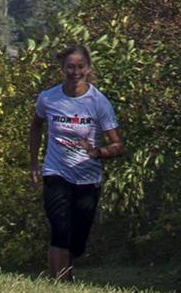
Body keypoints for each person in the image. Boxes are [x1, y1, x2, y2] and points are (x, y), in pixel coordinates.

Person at [28, 42, 122, 279]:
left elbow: (118, 145)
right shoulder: (48, 98)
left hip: (87, 177)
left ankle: (66, 275)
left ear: (88, 69)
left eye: (80, 67)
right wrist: (34, 163)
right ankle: (59, 284)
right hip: (56, 171)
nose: (75, 72)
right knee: (59, 227)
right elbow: (36, 126)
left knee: (77, 240)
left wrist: (98, 152)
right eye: (70, 67)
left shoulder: (98, 102)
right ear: (63, 68)